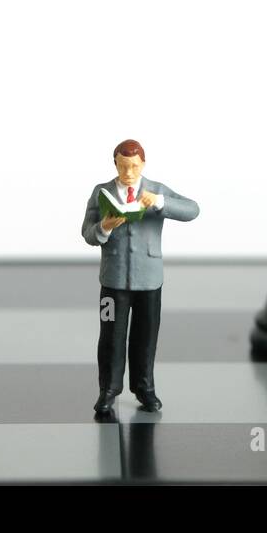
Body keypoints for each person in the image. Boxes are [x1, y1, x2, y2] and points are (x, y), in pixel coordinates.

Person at [81, 139, 199, 413]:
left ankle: (144, 388)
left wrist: (160, 203)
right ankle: (108, 390)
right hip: (113, 280)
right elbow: (88, 233)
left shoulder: (156, 190)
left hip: (149, 280)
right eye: (123, 166)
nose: (129, 172)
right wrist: (104, 227)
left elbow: (192, 210)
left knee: (145, 337)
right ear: (115, 164)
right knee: (111, 336)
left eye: (134, 166)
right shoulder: (102, 192)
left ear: (143, 164)